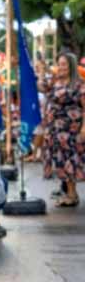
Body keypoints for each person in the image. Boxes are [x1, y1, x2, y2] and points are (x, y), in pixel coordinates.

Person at [42, 52, 84, 207]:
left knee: (70, 160)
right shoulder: (55, 81)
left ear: (71, 66)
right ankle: (69, 193)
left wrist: (84, 128)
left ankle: (72, 195)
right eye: (59, 64)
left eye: (64, 64)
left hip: (71, 129)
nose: (61, 67)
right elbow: (42, 88)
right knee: (60, 159)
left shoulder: (79, 84)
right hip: (55, 129)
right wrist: (43, 72)